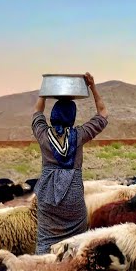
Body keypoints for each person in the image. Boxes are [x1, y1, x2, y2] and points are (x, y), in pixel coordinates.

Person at [31, 73, 108, 254]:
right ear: (72, 116)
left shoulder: (42, 134)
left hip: (47, 195)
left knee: (46, 238)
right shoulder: (79, 135)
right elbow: (103, 114)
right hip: (72, 195)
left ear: (53, 115)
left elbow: (37, 112)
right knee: (75, 243)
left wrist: (46, 90)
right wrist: (93, 87)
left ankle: (42, 269)